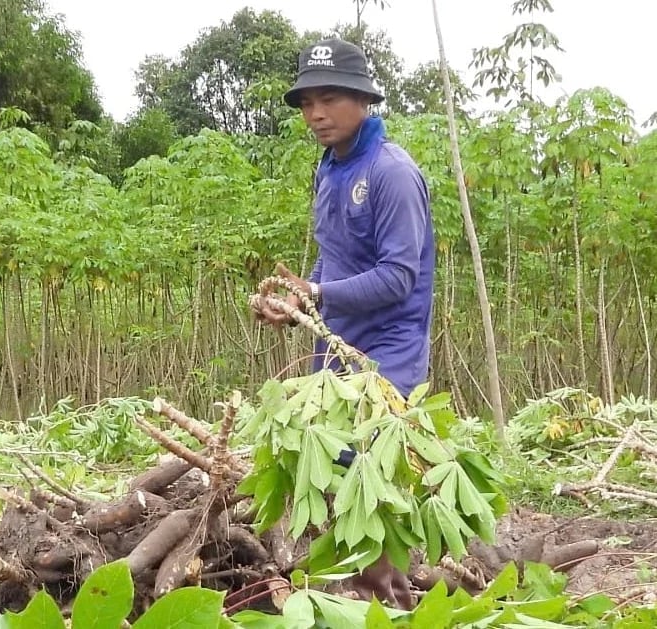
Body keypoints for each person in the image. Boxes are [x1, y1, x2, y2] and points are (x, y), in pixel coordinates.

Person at [252, 38, 435, 610]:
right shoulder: (329, 168)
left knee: (369, 474)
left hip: (388, 347)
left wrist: (320, 293)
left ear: (363, 100)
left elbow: (399, 276)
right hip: (335, 345)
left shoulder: (391, 174)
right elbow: (330, 258)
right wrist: (298, 304)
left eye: (328, 99)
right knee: (330, 467)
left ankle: (391, 603)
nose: (315, 114)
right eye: (306, 103)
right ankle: (351, 595)